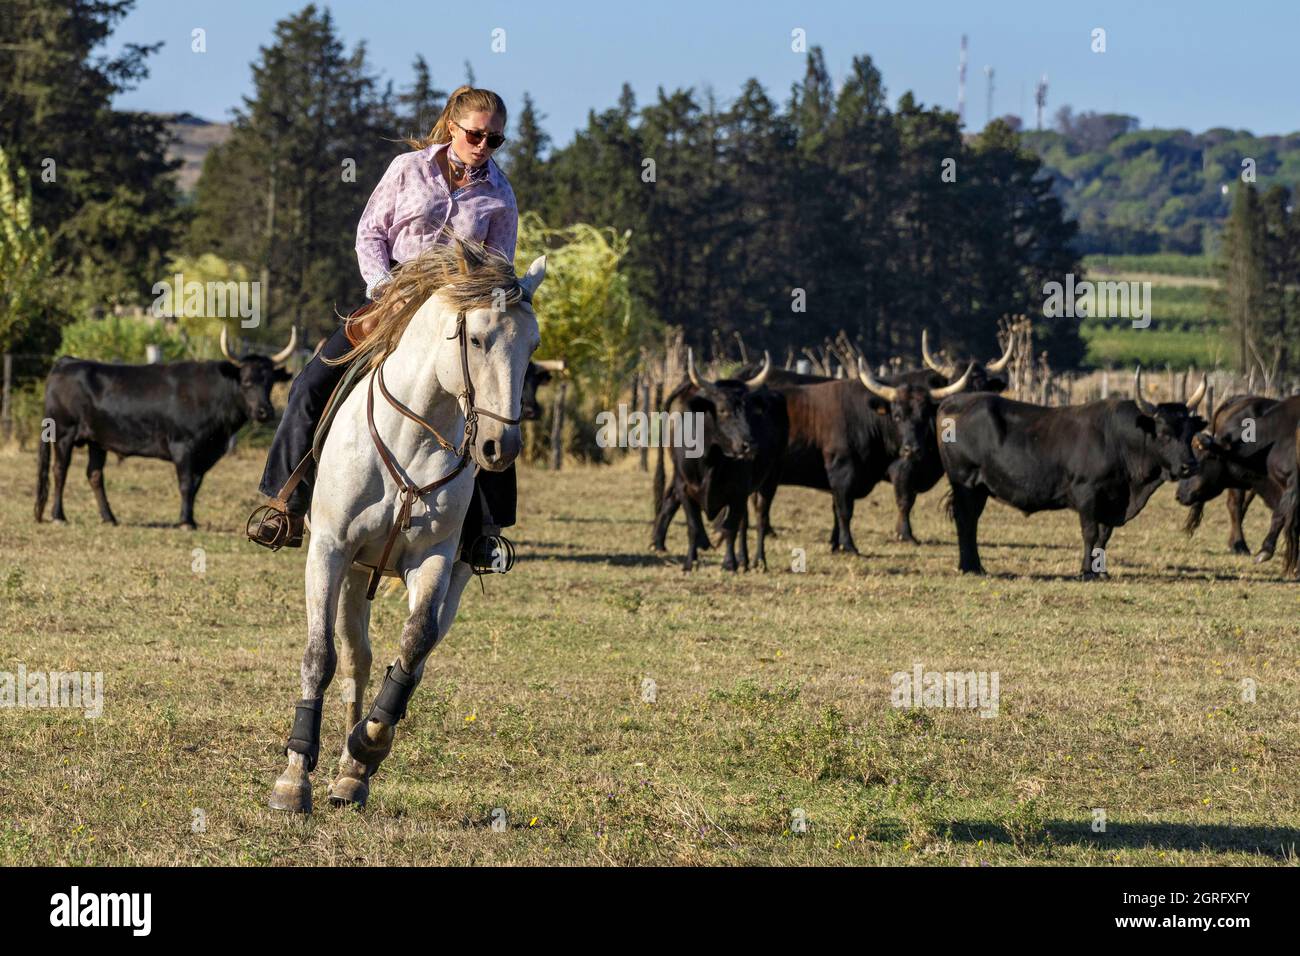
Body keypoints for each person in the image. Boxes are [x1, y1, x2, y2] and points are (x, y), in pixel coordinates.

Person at [250, 85, 520, 570]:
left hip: (455, 313)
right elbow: (370, 232)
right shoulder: (406, 169)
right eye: (476, 135)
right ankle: (284, 502)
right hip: (392, 298)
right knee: (313, 380)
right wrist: (380, 286)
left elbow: (500, 269)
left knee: (497, 404)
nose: (484, 147)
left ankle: (484, 530)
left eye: (495, 140)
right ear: (452, 127)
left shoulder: (500, 194)